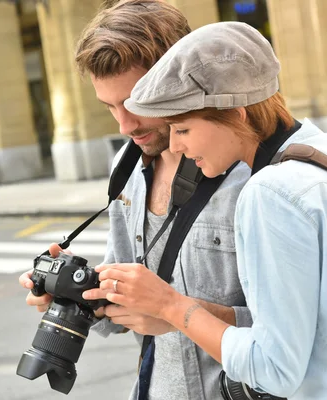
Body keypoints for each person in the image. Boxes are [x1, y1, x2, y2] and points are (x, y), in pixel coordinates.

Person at [83, 21, 327, 399]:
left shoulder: (269, 191)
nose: (178, 148)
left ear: (236, 113)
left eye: (182, 129)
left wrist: (172, 307)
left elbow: (273, 371)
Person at [19, 2, 252, 399]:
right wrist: (79, 294)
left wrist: (175, 311)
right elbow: (127, 305)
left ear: (178, 78)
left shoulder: (249, 174)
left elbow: (297, 330)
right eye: (109, 107)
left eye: (134, 103)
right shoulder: (125, 168)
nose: (125, 126)